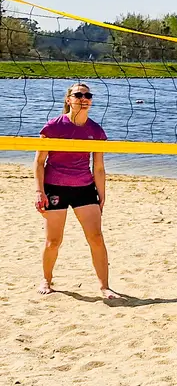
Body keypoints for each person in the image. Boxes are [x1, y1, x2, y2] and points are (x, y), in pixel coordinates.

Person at [35, 82, 116, 299]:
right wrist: (38, 191)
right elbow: (39, 162)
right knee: (54, 241)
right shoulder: (54, 127)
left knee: (96, 238)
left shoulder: (95, 130)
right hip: (55, 187)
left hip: (84, 188)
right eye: (78, 94)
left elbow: (98, 167)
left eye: (87, 95)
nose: (84, 98)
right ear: (68, 99)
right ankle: (46, 279)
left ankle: (104, 286)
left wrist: (102, 194)